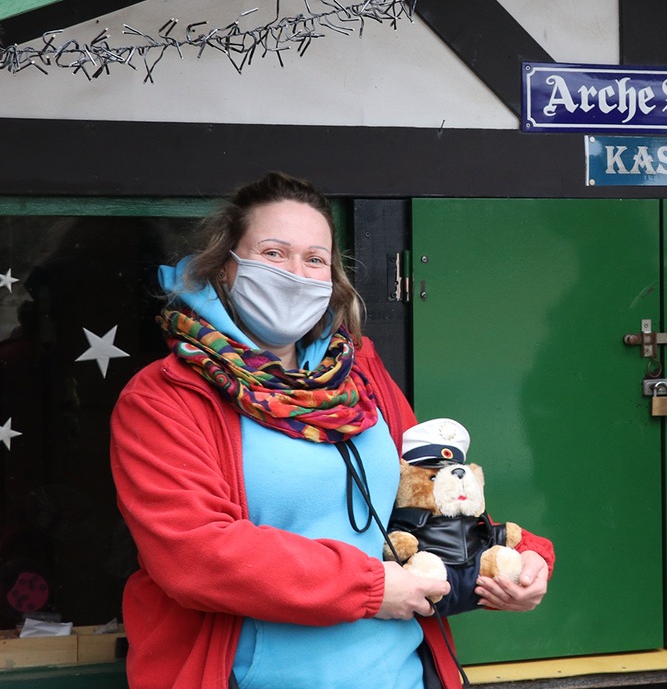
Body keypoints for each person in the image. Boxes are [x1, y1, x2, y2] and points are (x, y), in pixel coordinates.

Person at [110, 172, 555, 689]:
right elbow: (193, 555)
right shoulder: (164, 397)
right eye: (274, 253)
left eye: (314, 259)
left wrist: (519, 560)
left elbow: (430, 494)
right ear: (226, 267)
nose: (296, 274)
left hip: (402, 674)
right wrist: (366, 586)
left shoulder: (357, 371)